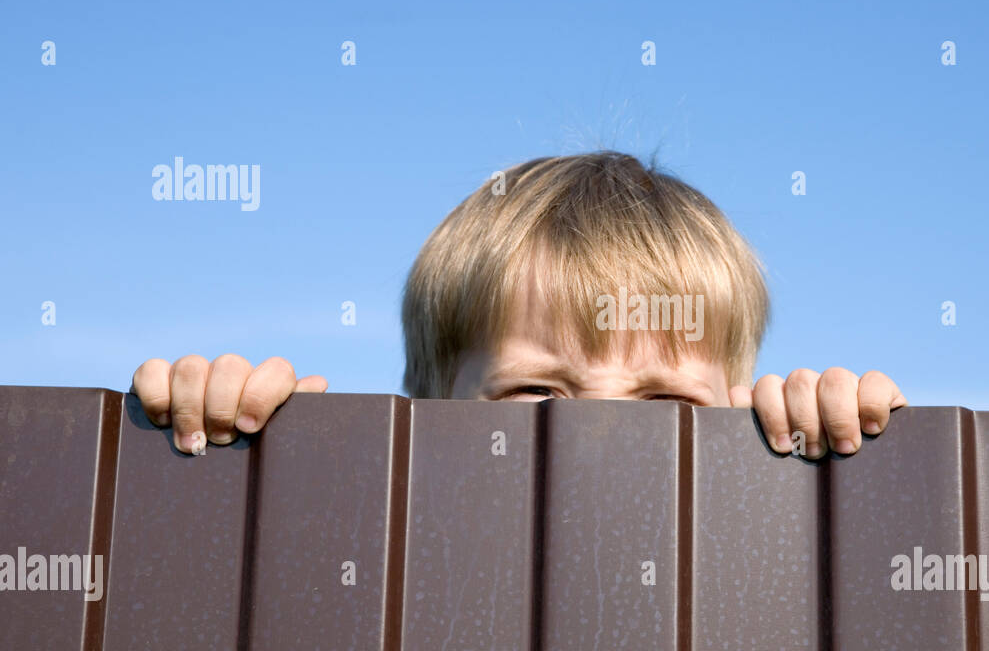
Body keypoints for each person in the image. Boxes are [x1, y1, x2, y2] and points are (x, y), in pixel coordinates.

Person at [131, 151, 906, 458]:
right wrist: (262, 457)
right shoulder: (374, 545)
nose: (597, 428)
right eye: (536, 389)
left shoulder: (755, 547)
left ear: (737, 406)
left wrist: (848, 447)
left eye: (666, 399)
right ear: (429, 408)